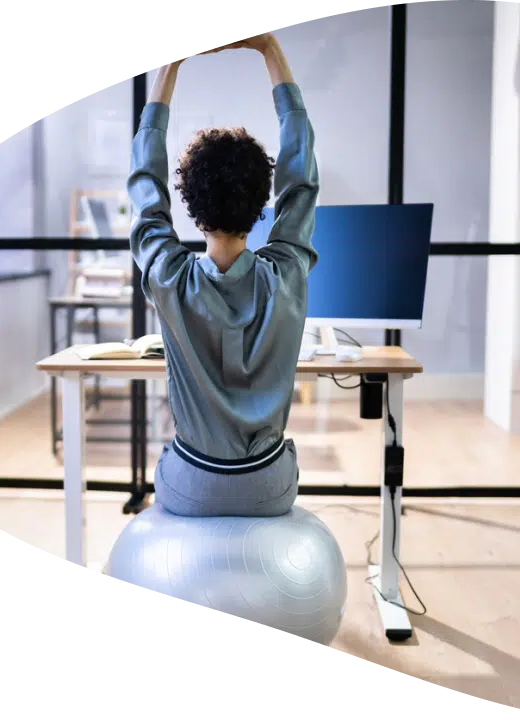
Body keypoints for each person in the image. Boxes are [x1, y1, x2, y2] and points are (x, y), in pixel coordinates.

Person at [126, 33, 319, 517]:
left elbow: (145, 186)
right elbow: (301, 179)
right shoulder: (287, 273)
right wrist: (270, 48)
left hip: (193, 483)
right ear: (260, 205)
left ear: (190, 205)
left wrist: (169, 68)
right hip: (270, 486)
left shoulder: (169, 278)